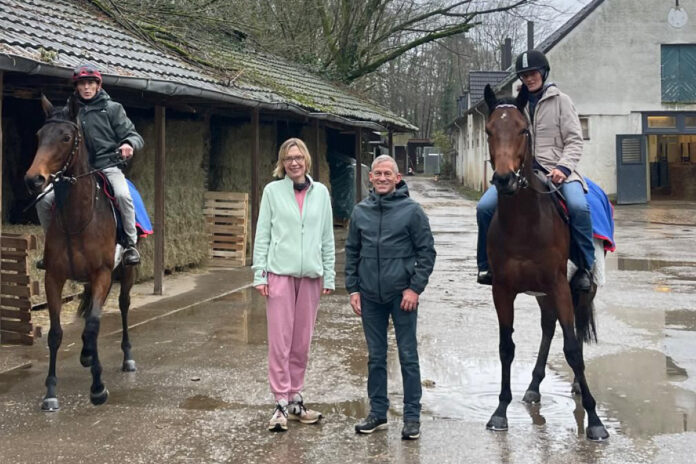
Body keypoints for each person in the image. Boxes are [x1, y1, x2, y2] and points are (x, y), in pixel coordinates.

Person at [476, 49, 594, 291]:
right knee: (484, 207)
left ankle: (584, 267)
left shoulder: (561, 101)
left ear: (543, 73)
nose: (529, 79)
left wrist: (563, 167)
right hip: (522, 171)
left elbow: (574, 140)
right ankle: (486, 265)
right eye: (524, 75)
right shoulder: (516, 104)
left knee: (578, 206)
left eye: (533, 73)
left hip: (558, 169)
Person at [345, 155, 436, 441]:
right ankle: (378, 413)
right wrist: (353, 288)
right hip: (371, 296)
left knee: (408, 356)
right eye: (377, 174)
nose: (382, 178)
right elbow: (351, 252)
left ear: (397, 178)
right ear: (370, 178)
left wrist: (414, 289)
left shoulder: (412, 211)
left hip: (402, 296)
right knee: (376, 357)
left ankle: (411, 417)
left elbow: (427, 253)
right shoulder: (360, 212)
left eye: (388, 174)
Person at [252, 138, 335, 432]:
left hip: (311, 276)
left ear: (307, 160)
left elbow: (327, 236)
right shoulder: (272, 192)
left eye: (299, 157)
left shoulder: (321, 193)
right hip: (280, 274)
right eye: (289, 158)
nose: (294, 162)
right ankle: (279, 403)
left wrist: (330, 274)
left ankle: (296, 398)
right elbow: (262, 234)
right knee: (280, 342)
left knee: (302, 341)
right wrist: (259, 273)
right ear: (282, 162)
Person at [36, 63, 143, 267]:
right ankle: (51, 245)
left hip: (107, 165)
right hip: (75, 170)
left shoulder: (112, 109)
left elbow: (133, 135)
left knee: (122, 194)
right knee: (44, 200)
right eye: (82, 84)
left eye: (90, 83)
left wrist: (129, 144)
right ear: (76, 87)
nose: (86, 88)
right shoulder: (68, 111)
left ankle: (130, 244)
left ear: (98, 85)